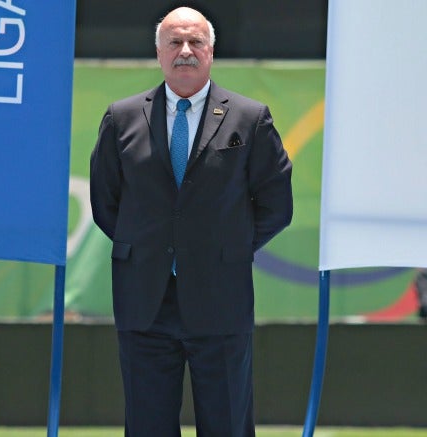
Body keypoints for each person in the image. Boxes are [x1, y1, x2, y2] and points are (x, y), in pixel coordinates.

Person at [89, 6, 293, 437]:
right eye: (175, 42)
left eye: (195, 41)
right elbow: (107, 203)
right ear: (159, 53)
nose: (185, 50)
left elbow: (276, 204)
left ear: (211, 51)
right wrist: (153, 247)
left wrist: (225, 248)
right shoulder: (121, 117)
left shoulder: (249, 118)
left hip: (221, 299)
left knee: (227, 425)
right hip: (145, 301)